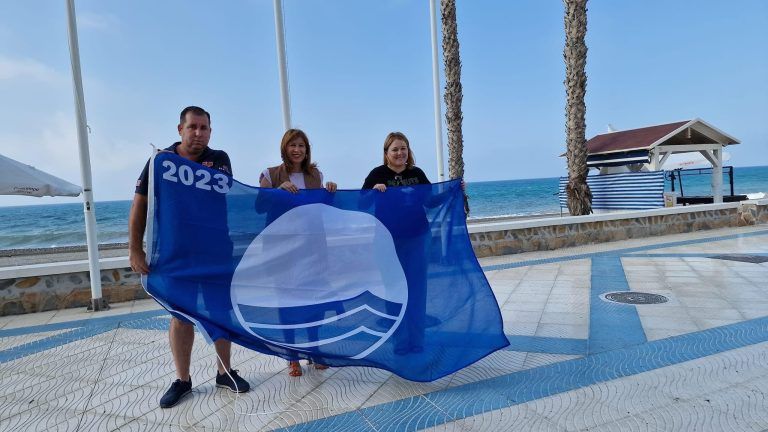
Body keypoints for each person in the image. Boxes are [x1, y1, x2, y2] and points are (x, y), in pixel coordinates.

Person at [129, 106, 250, 409]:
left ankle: (225, 372)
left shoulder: (219, 159)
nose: (199, 133)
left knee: (219, 311)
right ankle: (182, 379)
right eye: (193, 127)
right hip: (175, 253)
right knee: (180, 316)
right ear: (180, 129)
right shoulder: (159, 161)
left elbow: (222, 195)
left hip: (215, 251)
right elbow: (140, 204)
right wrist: (135, 248)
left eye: (204, 128)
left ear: (211, 130)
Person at [259, 128, 337, 377]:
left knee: (314, 300)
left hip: (312, 248)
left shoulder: (316, 175)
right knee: (287, 302)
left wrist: (331, 193)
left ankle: (314, 351)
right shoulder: (270, 174)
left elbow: (323, 209)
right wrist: (276, 191)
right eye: (293, 145)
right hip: (282, 250)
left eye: (301, 145)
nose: (297, 150)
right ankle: (291, 356)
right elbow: (259, 206)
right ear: (284, 148)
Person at [362, 132, 432, 355]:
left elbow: (430, 201)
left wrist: (455, 190)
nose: (400, 153)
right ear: (386, 153)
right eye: (395, 149)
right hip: (387, 243)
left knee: (417, 292)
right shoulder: (377, 174)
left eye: (403, 148)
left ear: (408, 151)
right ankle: (400, 343)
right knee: (394, 292)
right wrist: (373, 192)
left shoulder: (417, 174)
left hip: (416, 240)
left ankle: (417, 341)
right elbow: (360, 202)